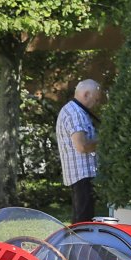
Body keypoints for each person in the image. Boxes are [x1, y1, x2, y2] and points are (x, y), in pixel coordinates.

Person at [56, 79, 102, 223]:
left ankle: (76, 238)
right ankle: (76, 239)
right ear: (86, 94)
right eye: (96, 99)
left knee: (82, 219)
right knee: (83, 222)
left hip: (81, 175)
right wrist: (104, 141)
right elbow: (82, 146)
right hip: (82, 175)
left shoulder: (74, 110)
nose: (96, 104)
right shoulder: (75, 113)